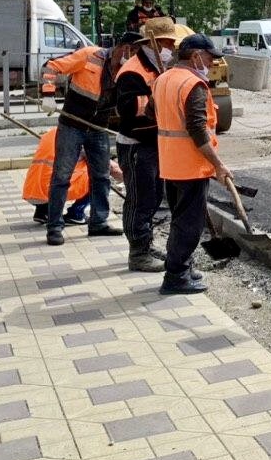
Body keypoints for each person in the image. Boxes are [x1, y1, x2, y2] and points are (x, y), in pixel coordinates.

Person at [153, 33, 231, 294]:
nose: (211, 64)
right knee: (189, 224)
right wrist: (218, 165)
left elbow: (154, 114)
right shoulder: (193, 85)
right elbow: (198, 129)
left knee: (180, 219)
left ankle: (182, 267)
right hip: (190, 165)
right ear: (196, 56)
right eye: (209, 58)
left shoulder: (162, 79)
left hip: (169, 162)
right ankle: (175, 276)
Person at [41, 43, 124, 246]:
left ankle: (98, 222)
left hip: (98, 129)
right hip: (72, 126)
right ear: (119, 48)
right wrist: (48, 95)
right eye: (128, 50)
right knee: (62, 176)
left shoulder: (127, 69)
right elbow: (51, 66)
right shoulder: (89, 55)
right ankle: (54, 227)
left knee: (102, 177)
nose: (129, 56)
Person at [116, 17, 180, 272]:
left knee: (153, 198)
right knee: (139, 200)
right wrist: (157, 100)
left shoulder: (157, 69)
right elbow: (130, 113)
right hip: (136, 145)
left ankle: (145, 243)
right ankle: (138, 254)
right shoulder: (132, 71)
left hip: (154, 144)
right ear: (153, 44)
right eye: (167, 44)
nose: (171, 50)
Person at [25, 129, 91, 226]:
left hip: (31, 190)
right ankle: (76, 214)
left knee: (49, 174)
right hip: (52, 191)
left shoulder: (50, 133)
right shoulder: (79, 135)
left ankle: (43, 211)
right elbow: (103, 164)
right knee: (97, 179)